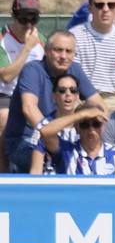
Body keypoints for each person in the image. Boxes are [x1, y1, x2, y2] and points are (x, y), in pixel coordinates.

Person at [4, 31, 104, 170]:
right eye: (58, 50)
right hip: (26, 141)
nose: (63, 56)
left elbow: (100, 106)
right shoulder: (32, 70)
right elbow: (29, 108)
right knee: (64, 162)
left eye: (69, 51)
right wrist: (50, 133)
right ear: (46, 51)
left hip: (61, 140)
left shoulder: (74, 69)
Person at [1, 0, 45, 167]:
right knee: (4, 119)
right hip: (6, 95)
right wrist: (26, 48)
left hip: (34, 95)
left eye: (33, 20)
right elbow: (6, 76)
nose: (28, 25)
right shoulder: (3, 40)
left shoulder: (41, 40)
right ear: (13, 17)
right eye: (23, 19)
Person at [26, 73, 86, 174]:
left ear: (77, 96)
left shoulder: (87, 125)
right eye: (62, 91)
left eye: (73, 90)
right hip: (51, 183)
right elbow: (35, 169)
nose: (68, 94)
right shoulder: (43, 126)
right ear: (54, 96)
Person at [41, 107, 115, 175]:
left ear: (103, 127)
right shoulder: (67, 151)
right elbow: (44, 131)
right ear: (76, 128)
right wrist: (81, 115)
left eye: (96, 124)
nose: (91, 129)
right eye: (84, 125)